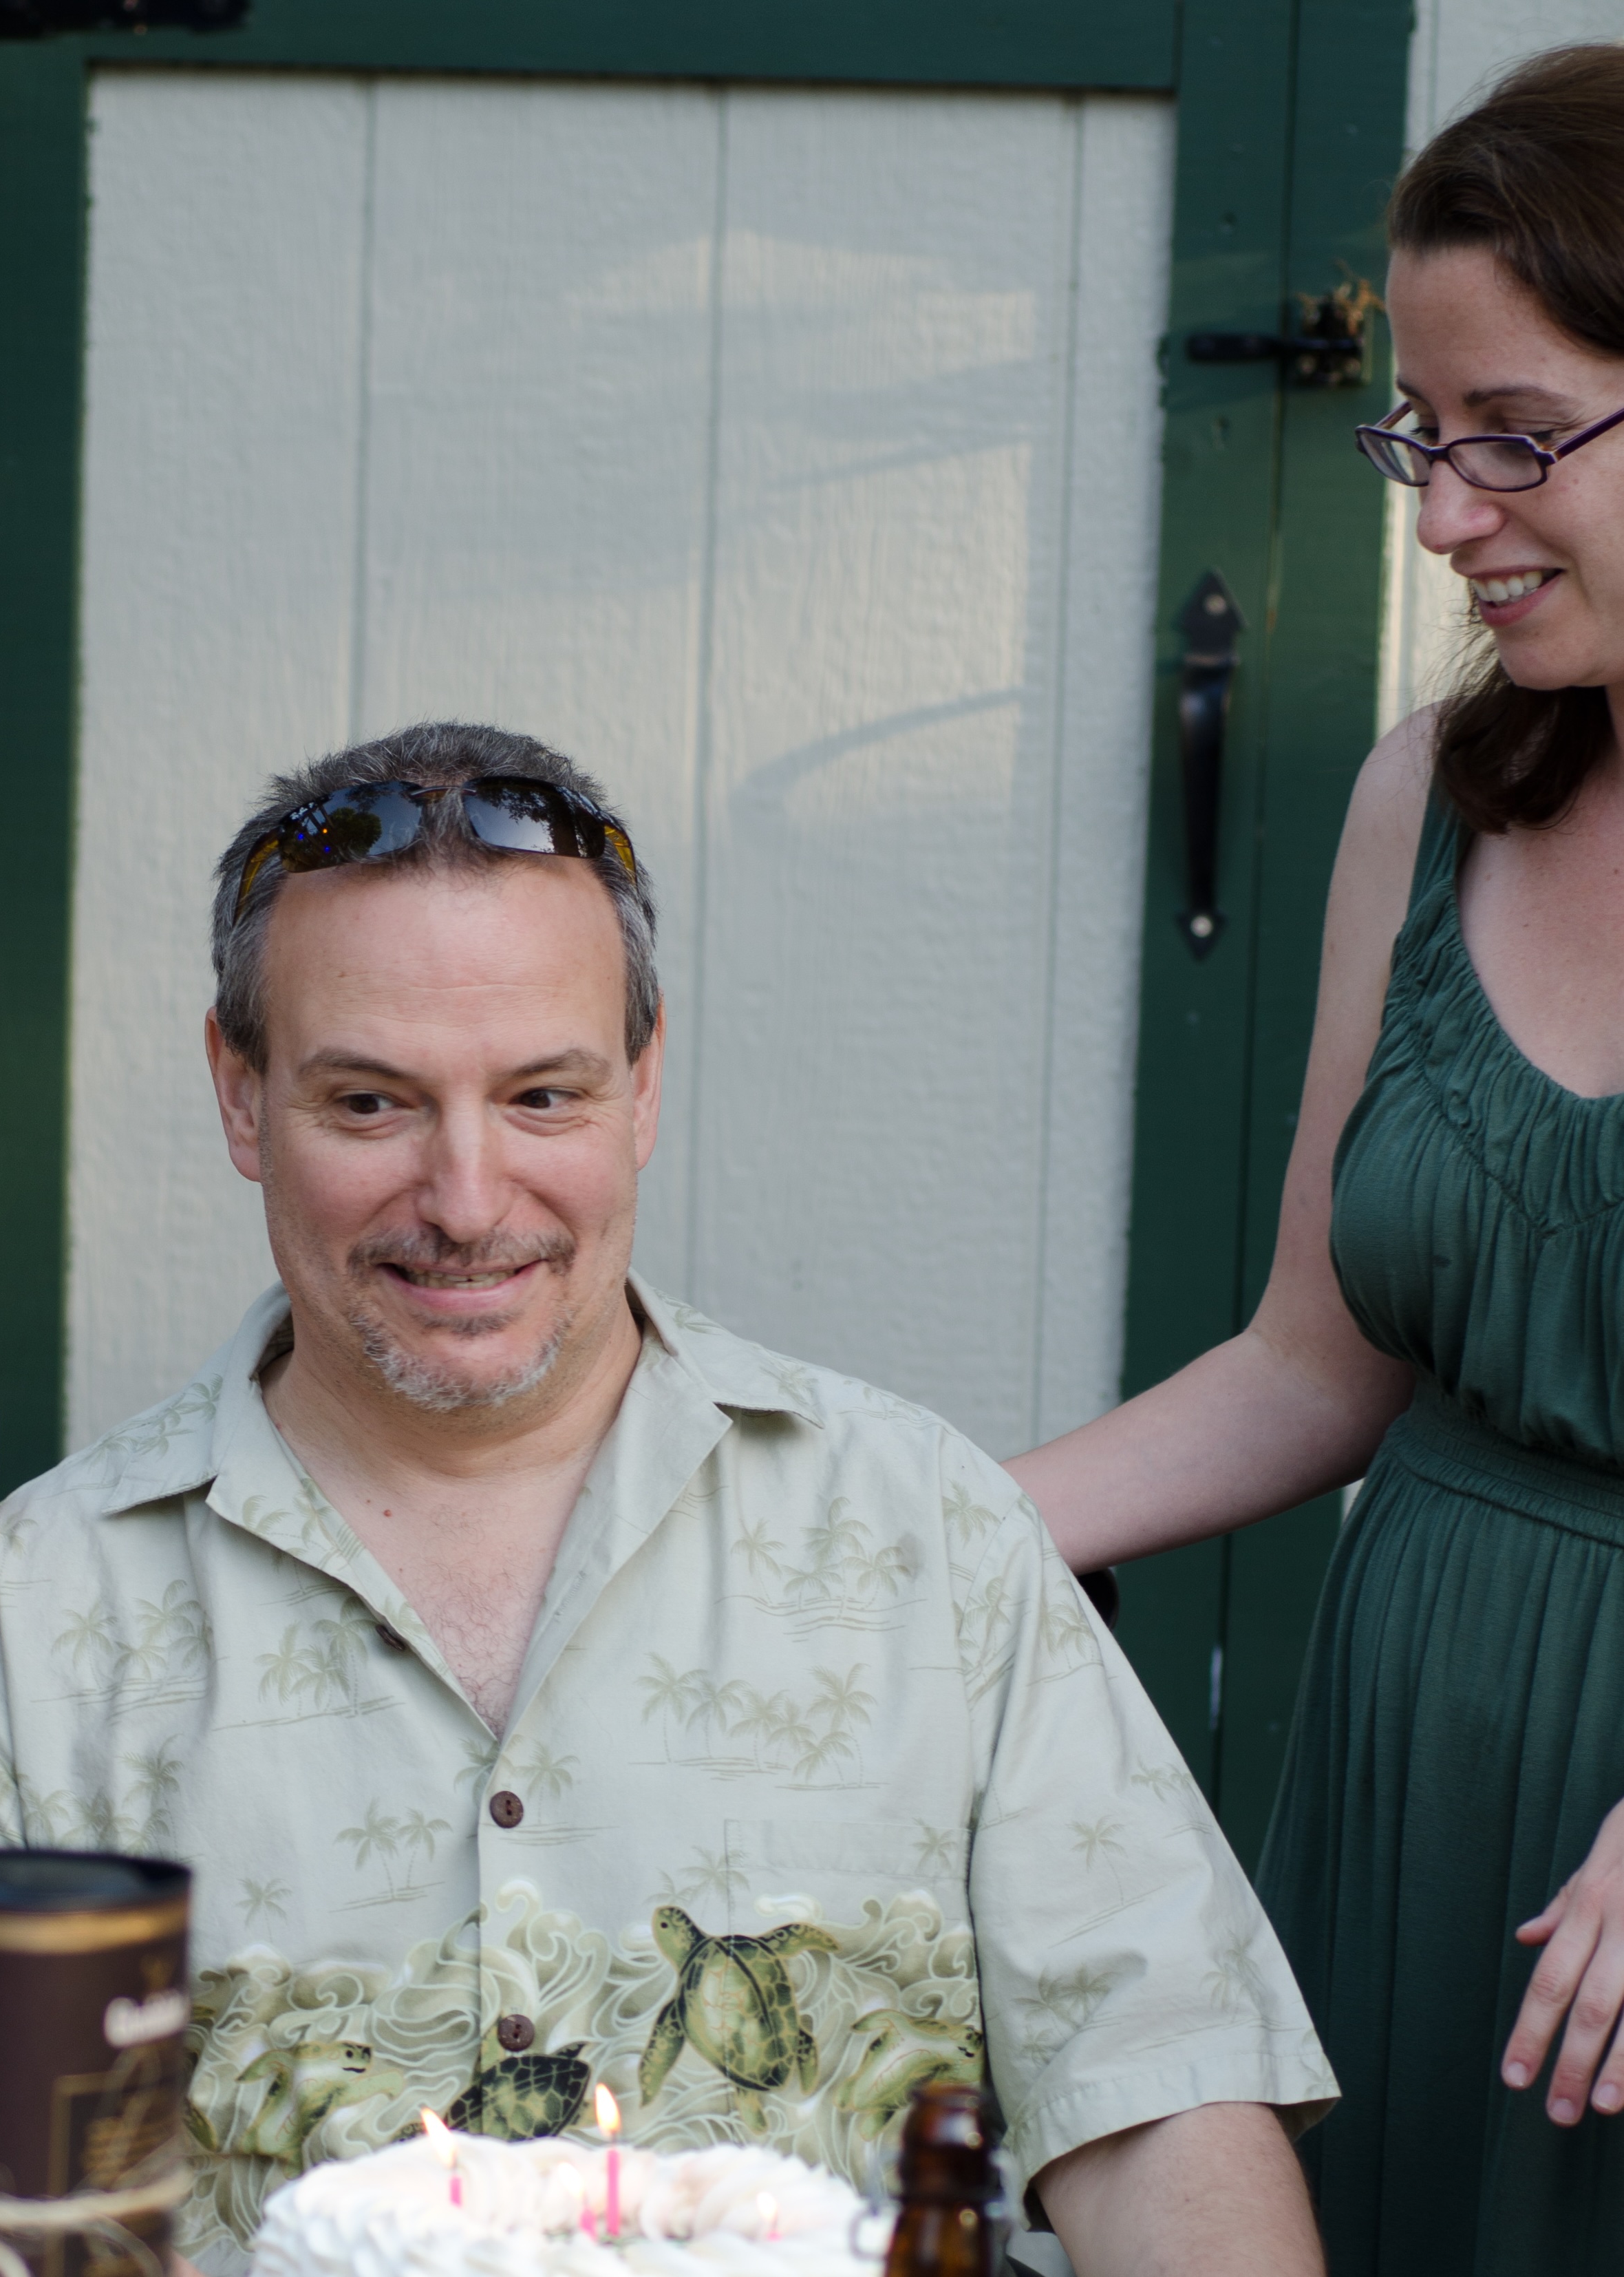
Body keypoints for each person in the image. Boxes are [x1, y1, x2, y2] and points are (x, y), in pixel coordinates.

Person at [0, 724, 1334, 2276]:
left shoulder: (927, 1537)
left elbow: (1166, 2110)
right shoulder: (37, 1615)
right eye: (370, 1104)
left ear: (644, 1085)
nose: (469, 1200)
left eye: (544, 1095)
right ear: (239, 1092)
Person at [1003, 45, 1624, 2274]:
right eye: (1419, 436)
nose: (1441, 509)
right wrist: (919, 1540)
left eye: (1517, 432)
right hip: (1407, 1795)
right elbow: (1307, 1362)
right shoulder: (1425, 798)